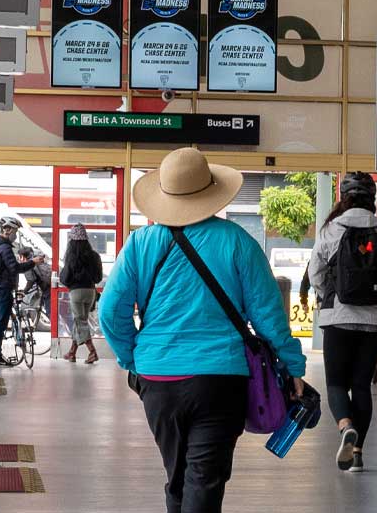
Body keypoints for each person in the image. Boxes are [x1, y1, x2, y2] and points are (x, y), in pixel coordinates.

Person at [100, 147, 306, 513]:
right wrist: (293, 367)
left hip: (157, 379)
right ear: (210, 192)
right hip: (220, 378)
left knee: (177, 475)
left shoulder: (140, 244)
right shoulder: (238, 241)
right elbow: (268, 316)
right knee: (204, 480)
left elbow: (110, 312)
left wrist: (133, 358)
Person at [309, 172, 377, 473]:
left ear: (344, 197)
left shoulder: (331, 230)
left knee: (337, 384)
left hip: (339, 318)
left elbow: (315, 274)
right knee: (361, 385)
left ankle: (345, 426)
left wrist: (331, 295)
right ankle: (358, 454)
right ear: (373, 200)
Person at [0, 217, 43, 367]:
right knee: (0, 324)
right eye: (15, 231)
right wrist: (33, 262)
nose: (15, 235)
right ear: (7, 230)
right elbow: (15, 268)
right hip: (3, 290)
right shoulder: (4, 248)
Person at [59, 223, 105, 363]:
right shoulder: (94, 256)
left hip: (76, 292)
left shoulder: (71, 257)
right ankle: (72, 352)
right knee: (80, 321)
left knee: (81, 322)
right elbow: (98, 277)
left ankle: (92, 352)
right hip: (90, 292)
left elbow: (65, 278)